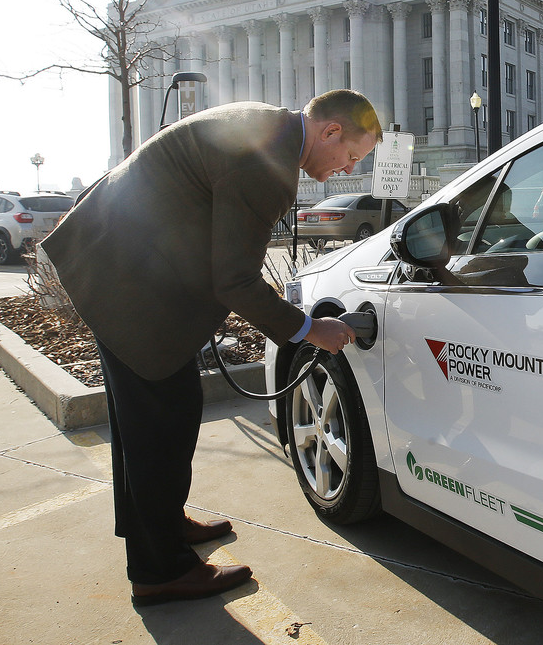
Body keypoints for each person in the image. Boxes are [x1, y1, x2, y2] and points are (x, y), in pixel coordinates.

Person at [40, 89, 382, 607]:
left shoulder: (266, 128)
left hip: (114, 261)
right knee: (161, 423)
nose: (344, 168)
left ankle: (162, 527)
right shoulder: (267, 163)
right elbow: (237, 281)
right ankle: (160, 570)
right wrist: (310, 329)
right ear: (330, 131)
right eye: (351, 156)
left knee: (153, 419)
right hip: (124, 281)